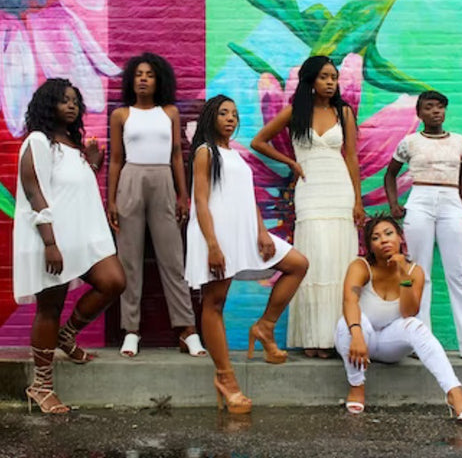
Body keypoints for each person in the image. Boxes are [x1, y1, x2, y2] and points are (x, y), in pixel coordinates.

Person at [185, 95, 308, 414]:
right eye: (223, 113)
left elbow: (246, 198)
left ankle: (264, 326)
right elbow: (200, 201)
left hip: (246, 232)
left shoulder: (234, 154)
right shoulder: (205, 152)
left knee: (297, 264)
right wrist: (212, 244)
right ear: (210, 117)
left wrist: (262, 231)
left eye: (235, 114)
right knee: (214, 303)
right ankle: (226, 378)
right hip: (216, 234)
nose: (230, 118)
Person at [13, 78, 126, 413]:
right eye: (64, 100)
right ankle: (41, 386)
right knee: (49, 307)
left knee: (113, 281)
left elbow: (69, 187)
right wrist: (50, 242)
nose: (72, 105)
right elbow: (35, 191)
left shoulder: (72, 144)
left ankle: (67, 335)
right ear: (49, 105)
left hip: (82, 237)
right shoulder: (37, 141)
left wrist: (90, 163)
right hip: (52, 238)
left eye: (75, 100)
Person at [251, 55, 364, 358]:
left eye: (334, 77)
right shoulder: (294, 111)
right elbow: (258, 142)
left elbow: (351, 157)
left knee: (339, 262)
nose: (330, 82)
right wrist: (291, 162)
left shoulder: (344, 112)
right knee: (314, 259)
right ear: (311, 80)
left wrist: (358, 201)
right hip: (310, 190)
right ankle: (311, 337)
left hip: (339, 191)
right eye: (325, 77)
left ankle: (334, 338)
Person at [108, 52, 206, 358]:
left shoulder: (170, 113)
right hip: (131, 179)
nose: (143, 79)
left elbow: (177, 154)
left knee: (173, 259)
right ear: (131, 80)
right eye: (138, 74)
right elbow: (115, 160)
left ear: (158, 79)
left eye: (149, 74)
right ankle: (131, 330)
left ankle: (187, 329)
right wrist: (111, 200)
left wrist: (182, 194)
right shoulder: (121, 115)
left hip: (163, 179)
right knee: (129, 260)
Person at [334, 214, 462, 422]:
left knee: (416, 326)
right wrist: (356, 335)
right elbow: (349, 302)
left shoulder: (414, 271)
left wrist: (403, 274)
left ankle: (455, 394)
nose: (383, 240)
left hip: (389, 344)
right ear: (370, 246)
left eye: (389, 233)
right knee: (351, 323)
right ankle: (357, 385)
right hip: (359, 338)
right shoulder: (361, 266)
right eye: (375, 238)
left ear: (400, 237)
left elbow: (408, 312)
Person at [384, 91, 462, 361]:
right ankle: (420, 340)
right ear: (419, 113)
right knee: (419, 273)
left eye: (440, 107)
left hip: (450, 202)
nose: (436, 111)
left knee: (458, 273)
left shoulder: (460, 142)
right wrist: (394, 205)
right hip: (420, 200)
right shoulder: (409, 142)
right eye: (430, 107)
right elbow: (390, 174)